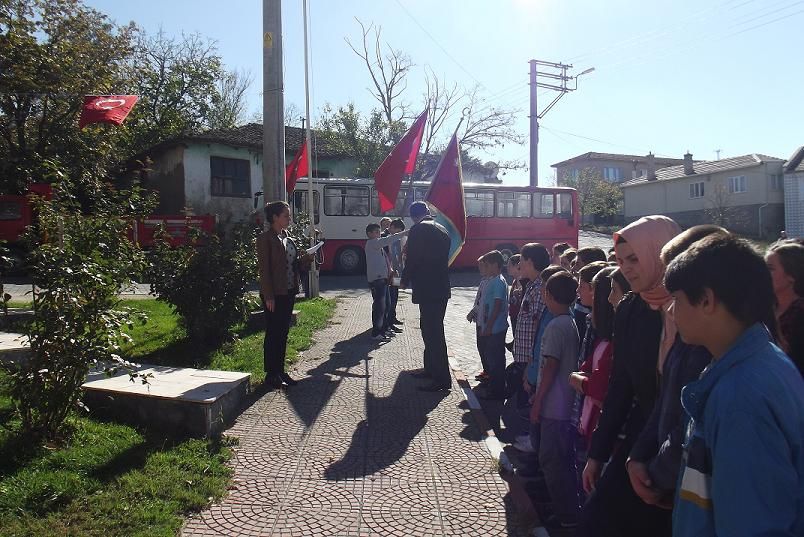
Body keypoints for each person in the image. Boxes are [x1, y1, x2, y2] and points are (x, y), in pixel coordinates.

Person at [666, 235, 804, 537]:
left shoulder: (741, 397)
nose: (670, 312)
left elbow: (754, 524)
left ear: (706, 300)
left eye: (676, 299)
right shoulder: (764, 362)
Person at [577, 215, 681, 537]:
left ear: (662, 252)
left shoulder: (694, 308)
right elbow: (620, 386)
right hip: (642, 439)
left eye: (634, 259)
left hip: (688, 449)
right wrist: (597, 453)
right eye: (621, 261)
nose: (626, 269)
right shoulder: (630, 309)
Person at [625, 225, 726, 514]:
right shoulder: (686, 339)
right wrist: (638, 456)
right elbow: (664, 404)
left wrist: (655, 476)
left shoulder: (723, 363)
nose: (670, 309)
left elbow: (688, 429)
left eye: (677, 298)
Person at [530, 271, 582, 529]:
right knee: (561, 460)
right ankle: (565, 508)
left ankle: (566, 516)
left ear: (549, 295)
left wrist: (538, 403)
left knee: (552, 461)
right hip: (563, 404)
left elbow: (550, 367)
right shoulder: (569, 321)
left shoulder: (555, 325)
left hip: (554, 406)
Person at [256, 201, 312, 389]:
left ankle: (280, 370)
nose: (289, 219)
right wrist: (269, 296)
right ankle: (271, 374)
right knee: (273, 333)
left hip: (288, 291)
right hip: (274, 294)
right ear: (274, 218)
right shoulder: (265, 239)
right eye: (286, 216)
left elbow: (292, 264)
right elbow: (264, 270)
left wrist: (305, 259)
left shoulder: (287, 237)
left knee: (283, 332)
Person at [401, 201, 452, 392]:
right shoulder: (441, 228)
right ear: (427, 212)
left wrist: (404, 280)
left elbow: (414, 258)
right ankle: (431, 369)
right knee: (429, 329)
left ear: (413, 216)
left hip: (428, 288)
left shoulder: (418, 229)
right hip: (439, 287)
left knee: (433, 333)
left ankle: (441, 378)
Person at [506, 243, 550, 450]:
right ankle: (528, 435)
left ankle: (531, 438)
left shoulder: (540, 287)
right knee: (525, 398)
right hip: (525, 357)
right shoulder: (531, 284)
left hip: (531, 359)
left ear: (530, 262)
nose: (519, 264)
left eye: (522, 260)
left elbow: (538, 325)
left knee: (529, 399)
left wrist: (532, 360)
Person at [570, 266, 616, 448]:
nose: (612, 298)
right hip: (587, 418)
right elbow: (586, 369)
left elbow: (597, 387)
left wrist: (578, 380)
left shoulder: (613, 343)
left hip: (599, 426)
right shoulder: (601, 335)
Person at [766, 239, 804, 375]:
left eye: (770, 268)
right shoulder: (765, 308)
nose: (764, 273)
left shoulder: (799, 314)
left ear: (791, 276)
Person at [474, 251, 508, 400]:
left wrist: (489, 326)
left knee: (496, 361)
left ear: (495, 265)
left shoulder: (499, 282)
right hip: (490, 326)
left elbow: (497, 306)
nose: (485, 267)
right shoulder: (492, 280)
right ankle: (494, 386)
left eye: (487, 265)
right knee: (491, 357)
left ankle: (497, 391)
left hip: (495, 328)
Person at [365, 223, 408, 341]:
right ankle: (376, 332)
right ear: (369, 234)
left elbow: (385, 262)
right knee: (380, 306)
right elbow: (388, 240)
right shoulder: (372, 243)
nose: (378, 234)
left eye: (379, 232)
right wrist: (403, 233)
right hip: (377, 279)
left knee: (387, 305)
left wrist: (391, 271)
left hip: (383, 279)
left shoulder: (378, 247)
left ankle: (383, 328)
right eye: (376, 232)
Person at [468, 257, 491, 382]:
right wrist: (474, 312)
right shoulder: (483, 281)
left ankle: (490, 372)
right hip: (479, 319)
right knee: (480, 346)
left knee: (486, 348)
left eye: (482, 266)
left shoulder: (493, 283)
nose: (479, 269)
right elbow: (479, 300)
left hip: (486, 321)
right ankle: (486, 369)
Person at [574, 261, 608, 344]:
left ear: (594, 288)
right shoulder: (590, 319)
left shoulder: (605, 324)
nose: (577, 290)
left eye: (581, 286)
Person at [505, 254, 526, 353]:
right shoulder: (514, 281)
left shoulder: (524, 282)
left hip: (520, 316)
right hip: (513, 315)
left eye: (509, 265)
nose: (507, 268)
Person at [387, 218, 406, 327]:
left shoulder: (398, 239)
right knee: (391, 296)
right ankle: (389, 320)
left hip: (397, 272)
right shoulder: (386, 237)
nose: (399, 234)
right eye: (398, 231)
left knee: (395, 295)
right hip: (390, 272)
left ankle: (392, 317)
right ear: (391, 227)